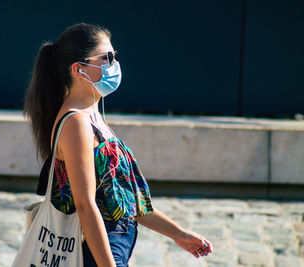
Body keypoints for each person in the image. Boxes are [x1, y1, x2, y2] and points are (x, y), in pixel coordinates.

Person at [23, 23, 213, 267]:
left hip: (111, 251)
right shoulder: (76, 123)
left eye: (115, 56)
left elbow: (125, 200)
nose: (114, 64)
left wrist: (178, 234)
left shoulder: (92, 114)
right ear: (79, 69)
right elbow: (85, 204)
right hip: (96, 254)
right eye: (106, 57)